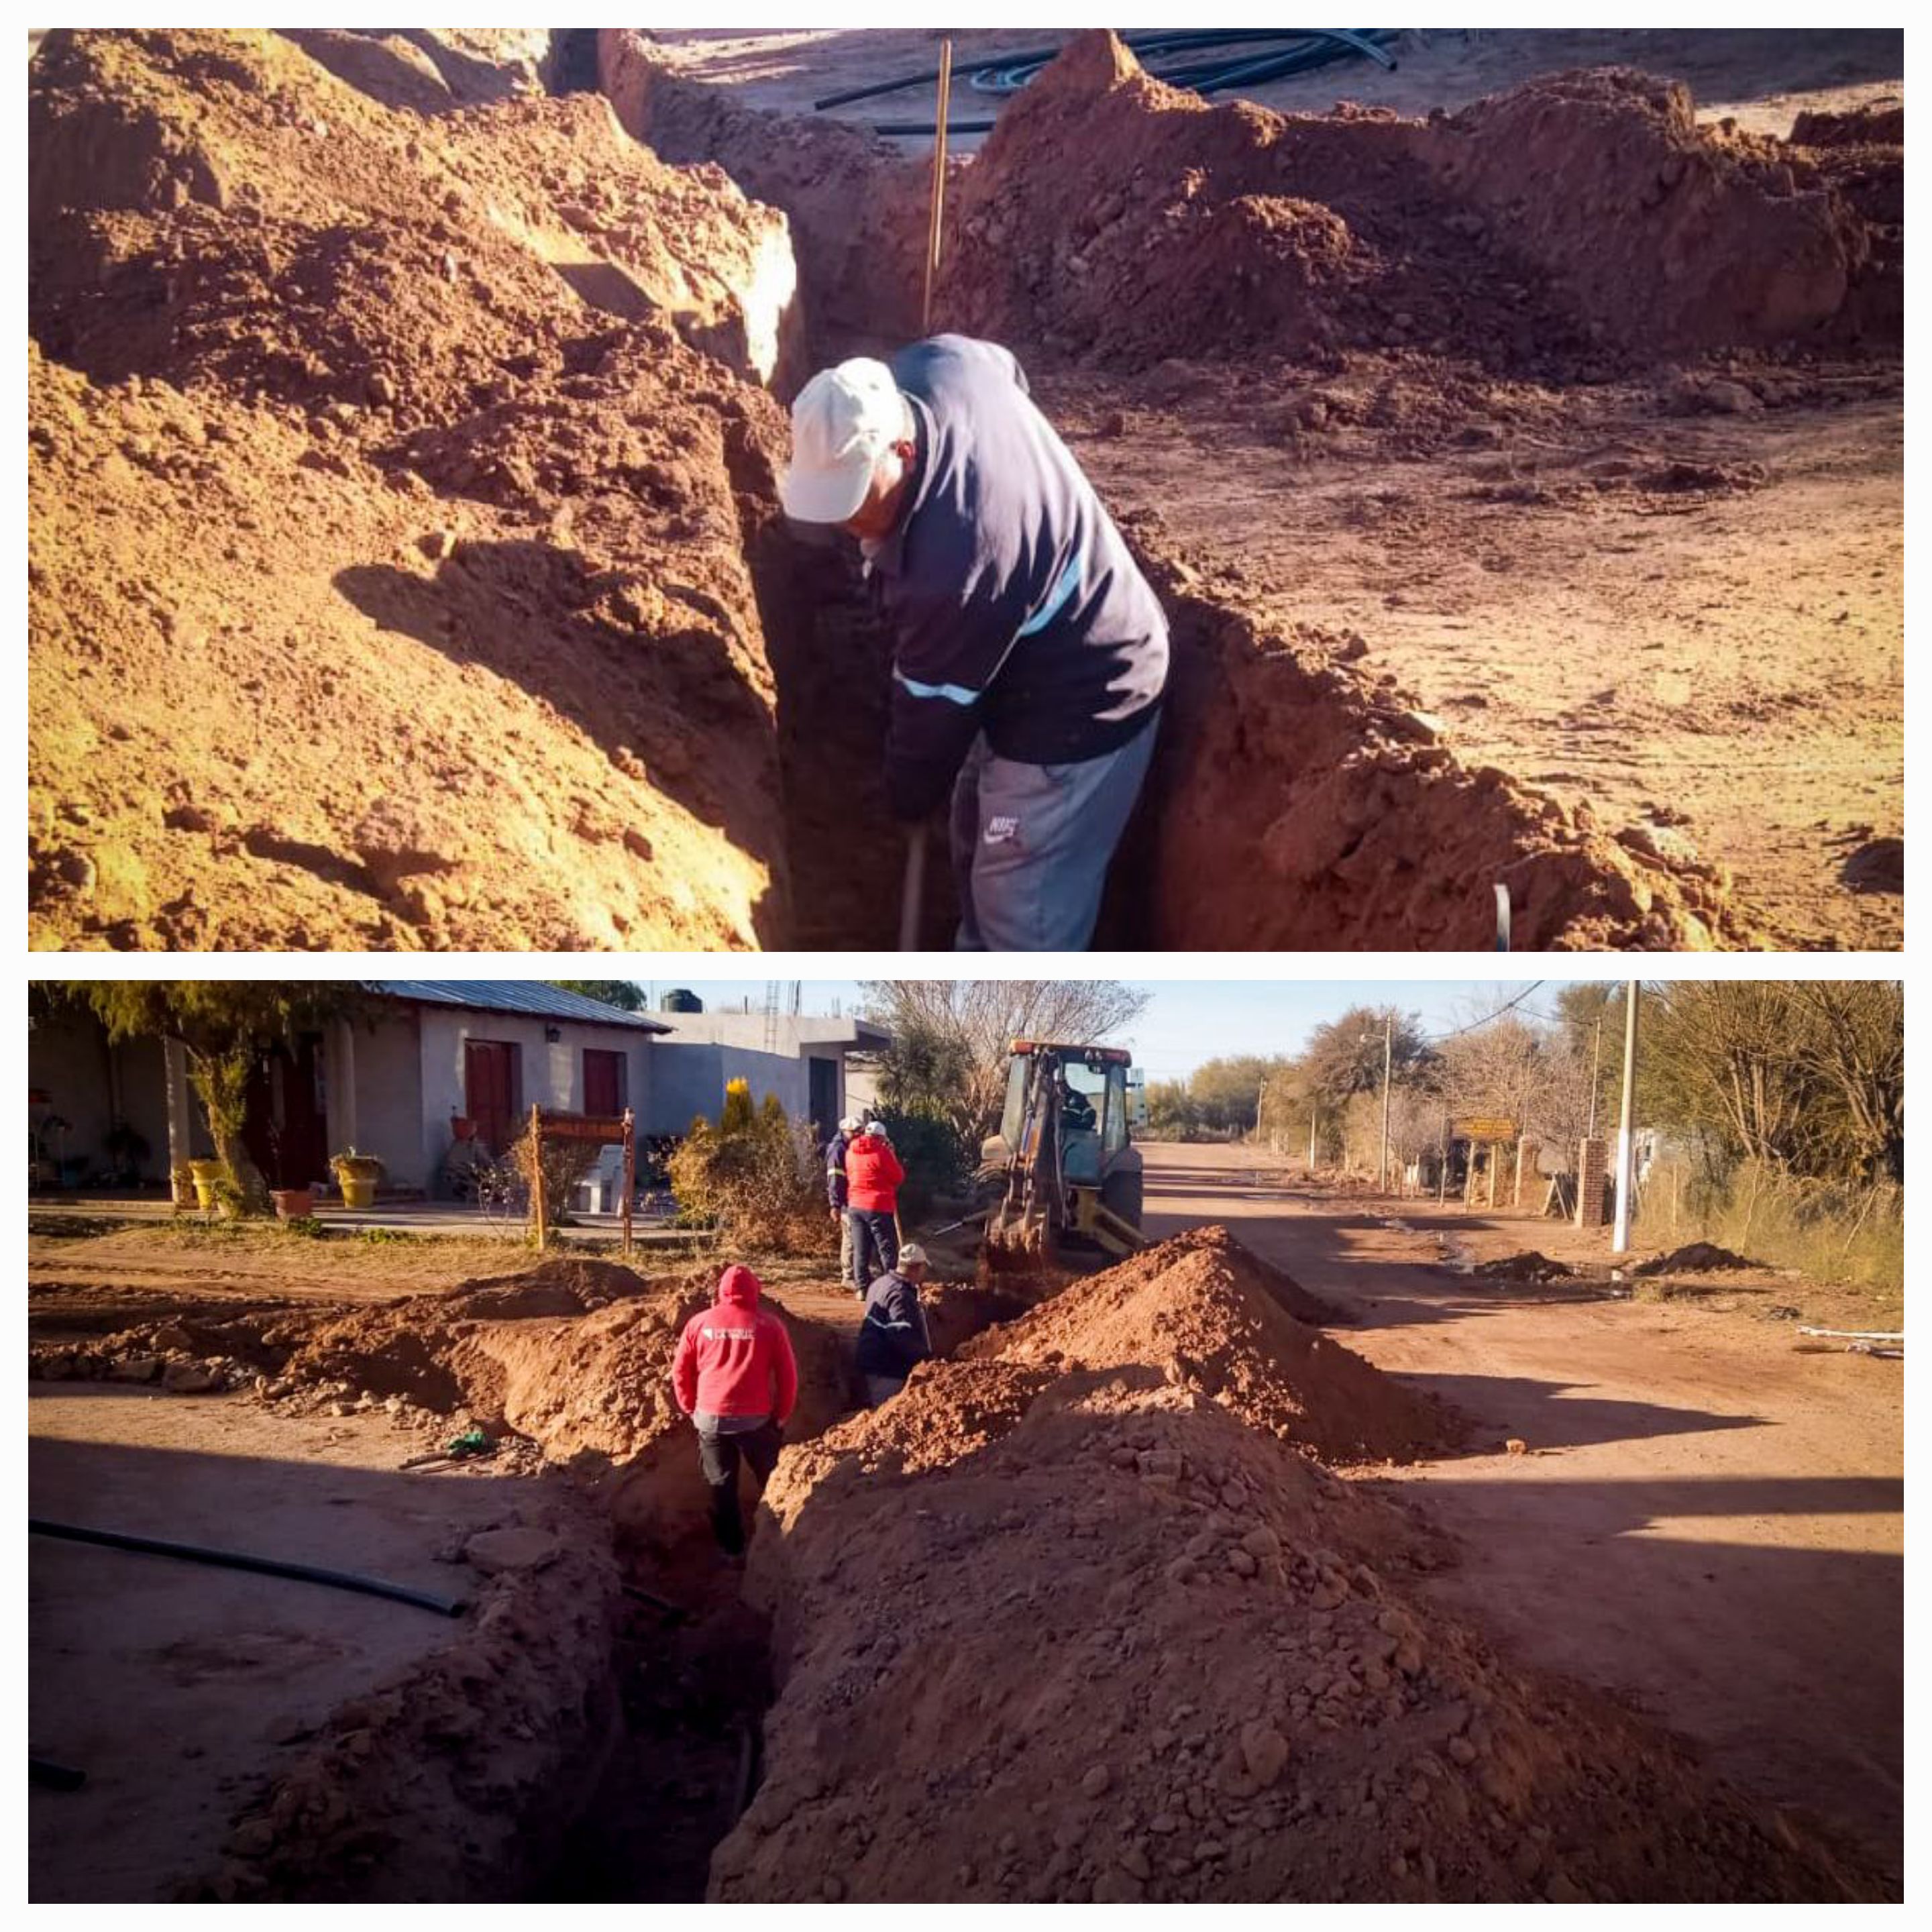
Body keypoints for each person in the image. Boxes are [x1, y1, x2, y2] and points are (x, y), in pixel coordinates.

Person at [779, 334, 1169, 951]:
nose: (846, 523)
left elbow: (931, 713)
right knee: (972, 829)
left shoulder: (954, 566)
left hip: (1080, 705)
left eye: (857, 499)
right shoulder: (942, 364)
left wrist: (908, 794)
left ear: (903, 450)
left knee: (1023, 905)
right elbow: (1006, 370)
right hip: (1024, 651)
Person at [670, 1263, 798, 1558]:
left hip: (710, 1418)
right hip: (756, 1421)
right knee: (773, 1479)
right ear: (756, 1291)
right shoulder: (769, 1325)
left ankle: (732, 1550)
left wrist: (691, 1408)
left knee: (721, 1486)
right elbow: (788, 1377)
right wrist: (781, 1416)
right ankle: (780, 1540)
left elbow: (680, 1372)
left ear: (721, 1292)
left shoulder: (699, 1324)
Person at [856, 1241, 933, 1408]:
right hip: (887, 1369)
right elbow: (900, 1336)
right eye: (923, 1268)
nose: (924, 1273)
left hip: (871, 1361)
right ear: (916, 1267)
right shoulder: (900, 1296)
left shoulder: (880, 1283)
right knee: (889, 1413)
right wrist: (926, 1359)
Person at [843, 1118, 903, 1297]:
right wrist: (892, 1155)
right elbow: (898, 1176)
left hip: (855, 1205)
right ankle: (892, 1286)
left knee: (861, 1249)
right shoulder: (882, 1152)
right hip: (878, 1206)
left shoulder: (850, 1151)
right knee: (886, 1248)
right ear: (881, 1138)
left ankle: (862, 1288)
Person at [825, 1112, 861, 1285]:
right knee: (850, 1238)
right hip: (845, 1201)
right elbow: (835, 1178)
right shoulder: (838, 1150)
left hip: (853, 1198)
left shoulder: (849, 1147)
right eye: (854, 1132)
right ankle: (848, 1276)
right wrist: (835, 1204)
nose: (857, 1135)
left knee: (855, 1237)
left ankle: (854, 1272)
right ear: (845, 1131)